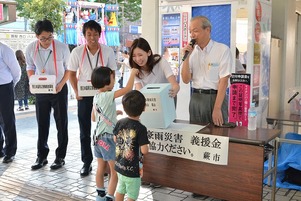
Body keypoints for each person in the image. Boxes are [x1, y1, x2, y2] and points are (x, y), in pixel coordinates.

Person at [68, 20, 117, 177]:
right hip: (84, 96)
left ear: (100, 35)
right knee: (84, 130)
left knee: (105, 130)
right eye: (89, 34)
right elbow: (71, 73)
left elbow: (113, 73)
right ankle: (86, 162)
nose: (92, 37)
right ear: (84, 36)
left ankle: (105, 164)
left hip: (103, 96)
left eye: (95, 34)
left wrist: (109, 91)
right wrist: (76, 92)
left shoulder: (108, 51)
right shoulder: (77, 52)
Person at [26, 19, 70, 170]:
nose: (46, 41)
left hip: (59, 89)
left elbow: (69, 69)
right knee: (42, 123)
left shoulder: (62, 47)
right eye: (43, 38)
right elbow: (30, 66)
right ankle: (41, 156)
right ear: (36, 36)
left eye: (49, 37)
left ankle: (60, 157)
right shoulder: (31, 48)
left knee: (61, 124)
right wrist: (33, 80)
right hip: (41, 90)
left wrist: (61, 85)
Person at [91, 66, 139, 201]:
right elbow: (127, 89)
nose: (115, 80)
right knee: (115, 171)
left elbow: (94, 118)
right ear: (106, 81)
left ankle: (100, 195)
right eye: (113, 78)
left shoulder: (96, 97)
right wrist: (133, 73)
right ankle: (110, 196)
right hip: (108, 138)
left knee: (101, 167)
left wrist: (113, 113)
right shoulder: (108, 95)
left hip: (97, 138)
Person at [181, 16, 232, 127]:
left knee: (217, 135)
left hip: (214, 98)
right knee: (196, 135)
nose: (192, 35)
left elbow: (223, 80)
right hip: (195, 98)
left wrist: (217, 108)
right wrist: (186, 58)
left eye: (195, 31)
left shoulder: (222, 49)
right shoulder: (192, 52)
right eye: (190, 32)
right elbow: (185, 80)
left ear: (207, 30)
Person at [114, 90, 150, 201]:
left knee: (120, 190)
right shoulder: (141, 128)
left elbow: (115, 138)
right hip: (133, 171)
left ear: (124, 108)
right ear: (144, 108)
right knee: (132, 195)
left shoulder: (120, 122)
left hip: (120, 166)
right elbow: (144, 150)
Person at [0, 42, 21, 163]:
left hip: (4, 87)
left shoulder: (4, 49)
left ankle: (10, 151)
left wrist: (10, 85)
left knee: (7, 120)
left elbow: (16, 71)